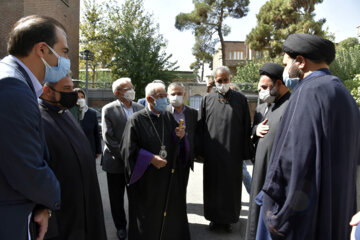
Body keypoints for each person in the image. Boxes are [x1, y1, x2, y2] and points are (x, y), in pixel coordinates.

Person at [257, 33, 360, 240]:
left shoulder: (308, 92)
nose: (285, 68)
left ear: (301, 62)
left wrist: (276, 214)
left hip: (305, 216)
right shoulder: (343, 93)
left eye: (287, 63)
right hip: (337, 210)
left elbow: (293, 159)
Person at [0, 15, 70, 240]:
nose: (66, 60)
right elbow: (26, 168)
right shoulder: (12, 87)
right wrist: (53, 198)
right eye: (64, 51)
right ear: (42, 49)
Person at [39, 74, 107, 240]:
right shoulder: (38, 119)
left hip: (86, 202)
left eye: (72, 88)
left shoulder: (66, 113)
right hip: (64, 210)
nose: (73, 94)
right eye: (67, 89)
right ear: (47, 91)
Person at [120, 82, 190, 240]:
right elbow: (127, 150)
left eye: (166, 96)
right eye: (161, 97)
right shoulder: (135, 120)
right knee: (148, 220)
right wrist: (150, 158)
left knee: (168, 216)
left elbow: (175, 145)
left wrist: (180, 136)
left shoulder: (167, 117)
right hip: (147, 182)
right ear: (149, 99)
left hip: (166, 178)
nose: (166, 99)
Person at [197, 66, 253, 232]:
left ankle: (228, 220)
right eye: (219, 81)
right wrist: (201, 152)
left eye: (225, 80)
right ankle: (214, 219)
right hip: (213, 154)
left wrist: (245, 152)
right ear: (214, 80)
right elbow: (201, 126)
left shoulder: (240, 99)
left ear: (230, 79)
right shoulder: (207, 99)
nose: (222, 83)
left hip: (233, 154)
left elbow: (245, 127)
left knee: (230, 188)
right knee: (213, 187)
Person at [244, 63, 290, 240]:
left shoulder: (291, 105)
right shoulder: (263, 108)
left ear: (279, 84)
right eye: (259, 88)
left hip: (276, 176)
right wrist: (255, 130)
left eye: (265, 87)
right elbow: (252, 131)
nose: (261, 92)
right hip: (260, 173)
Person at [101, 77, 144, 240]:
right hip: (115, 162)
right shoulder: (108, 109)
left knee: (136, 196)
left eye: (132, 87)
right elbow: (108, 138)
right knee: (116, 198)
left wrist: (138, 156)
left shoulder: (140, 108)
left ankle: (136, 225)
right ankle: (120, 226)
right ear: (117, 93)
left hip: (137, 162)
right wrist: (126, 155)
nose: (132, 90)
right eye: (128, 89)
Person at [166, 82, 198, 185]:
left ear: (184, 95)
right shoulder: (163, 112)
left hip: (185, 158)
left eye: (179, 93)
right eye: (173, 94)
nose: (176, 96)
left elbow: (194, 133)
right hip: (167, 158)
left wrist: (186, 136)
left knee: (182, 187)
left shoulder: (192, 113)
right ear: (168, 95)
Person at [229, 83, 253, 195]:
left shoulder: (240, 106)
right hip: (225, 147)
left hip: (237, 147)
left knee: (243, 173)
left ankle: (254, 195)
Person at [74, 88, 102, 159]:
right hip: (74, 150)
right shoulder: (68, 112)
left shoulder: (91, 113)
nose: (80, 99)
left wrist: (98, 150)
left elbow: (96, 132)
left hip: (89, 149)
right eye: (77, 97)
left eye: (82, 97)